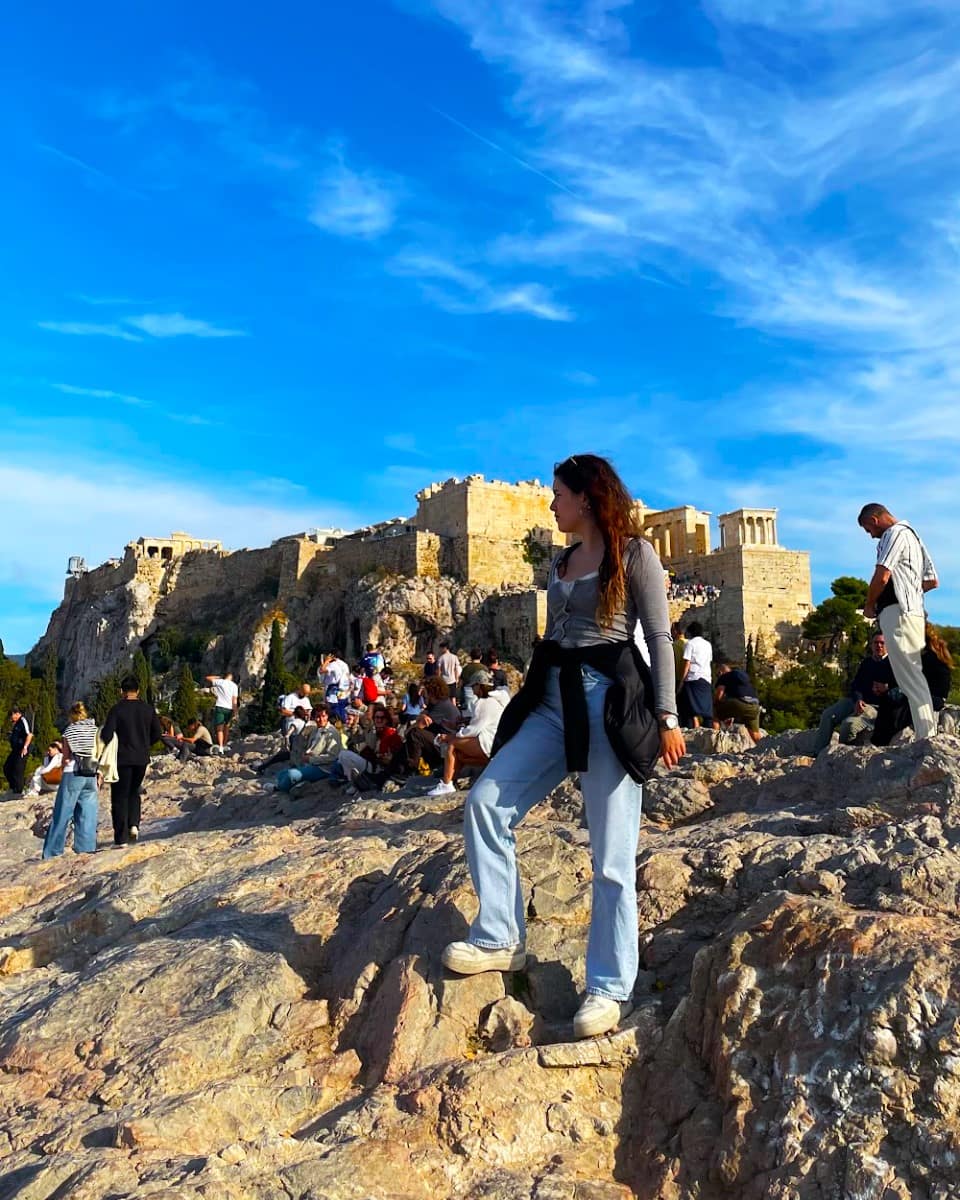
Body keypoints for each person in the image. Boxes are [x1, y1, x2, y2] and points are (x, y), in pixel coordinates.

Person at [442, 453, 684, 1041]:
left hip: (607, 704)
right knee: (486, 805)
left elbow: (658, 638)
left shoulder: (635, 555)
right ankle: (501, 935)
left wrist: (668, 715)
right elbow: (556, 638)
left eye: (558, 494)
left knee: (610, 855)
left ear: (586, 497)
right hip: (554, 702)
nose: (551, 504)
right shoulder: (561, 560)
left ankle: (608, 988)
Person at [859, 503, 939, 740]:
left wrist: (870, 603)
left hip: (898, 612)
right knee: (912, 674)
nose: (871, 536)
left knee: (908, 677)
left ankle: (926, 736)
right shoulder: (915, 537)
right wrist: (911, 592)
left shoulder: (894, 534)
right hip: (914, 612)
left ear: (874, 520)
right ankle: (927, 733)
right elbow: (932, 581)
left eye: (868, 529)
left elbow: (882, 574)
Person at [99, 675, 162, 846]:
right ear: (138, 691)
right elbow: (157, 733)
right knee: (134, 791)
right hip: (141, 758)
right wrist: (145, 744)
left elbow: (106, 735)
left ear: (121, 691)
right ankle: (134, 825)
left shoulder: (117, 710)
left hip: (122, 758)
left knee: (119, 796)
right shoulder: (148, 709)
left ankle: (121, 838)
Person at [872, 623, 953, 746]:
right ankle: (881, 738)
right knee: (891, 698)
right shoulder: (927, 655)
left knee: (894, 702)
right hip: (928, 695)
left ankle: (882, 739)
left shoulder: (928, 658)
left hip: (931, 697)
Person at [813, 633, 895, 752]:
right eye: (876, 643)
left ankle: (841, 757)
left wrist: (887, 688)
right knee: (828, 715)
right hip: (858, 700)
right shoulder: (867, 663)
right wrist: (858, 699)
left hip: (876, 706)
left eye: (882, 643)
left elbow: (901, 687)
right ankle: (818, 753)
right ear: (871, 645)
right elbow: (856, 685)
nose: (879, 646)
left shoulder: (893, 664)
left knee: (848, 725)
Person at [428, 676, 504, 796]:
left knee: (453, 744)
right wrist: (465, 721)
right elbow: (480, 723)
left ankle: (446, 784)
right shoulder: (494, 701)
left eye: (474, 686)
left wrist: (450, 737)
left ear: (479, 686)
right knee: (459, 754)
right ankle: (449, 781)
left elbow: (473, 730)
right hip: (496, 744)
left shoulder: (483, 703)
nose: (472, 690)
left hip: (488, 743)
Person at [42, 702, 100, 858]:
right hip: (91, 774)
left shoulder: (70, 730)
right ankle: (86, 850)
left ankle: (52, 852)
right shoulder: (94, 730)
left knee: (62, 813)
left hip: (73, 773)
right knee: (88, 814)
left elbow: (66, 758)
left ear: (72, 716)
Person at [392, 676, 462, 777]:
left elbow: (413, 730)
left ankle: (409, 770)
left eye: (423, 690)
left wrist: (417, 721)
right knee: (408, 743)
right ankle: (394, 770)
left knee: (415, 734)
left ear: (431, 692)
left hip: (446, 746)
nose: (421, 694)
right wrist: (420, 716)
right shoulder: (435, 705)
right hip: (441, 743)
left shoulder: (440, 706)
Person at [275, 704, 345, 791]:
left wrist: (311, 759)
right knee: (282, 773)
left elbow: (332, 757)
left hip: (323, 767)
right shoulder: (315, 730)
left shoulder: (332, 732)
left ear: (327, 716)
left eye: (323, 716)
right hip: (310, 763)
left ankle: (278, 788)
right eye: (318, 717)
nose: (320, 719)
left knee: (291, 775)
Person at [337, 706, 403, 793]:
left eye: (382, 718)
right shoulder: (372, 729)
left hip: (380, 768)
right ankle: (354, 783)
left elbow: (375, 747)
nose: (379, 720)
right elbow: (356, 740)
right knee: (342, 757)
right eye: (376, 718)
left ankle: (357, 783)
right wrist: (354, 726)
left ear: (386, 720)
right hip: (372, 764)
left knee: (344, 755)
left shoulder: (390, 732)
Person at [712, 661, 763, 745]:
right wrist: (730, 714)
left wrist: (715, 704)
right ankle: (763, 746)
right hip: (754, 705)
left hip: (740, 703)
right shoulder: (743, 677)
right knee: (754, 733)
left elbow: (719, 695)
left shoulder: (724, 676)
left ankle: (715, 743)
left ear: (720, 672)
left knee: (715, 714)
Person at [679, 621, 713, 728]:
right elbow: (709, 661)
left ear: (690, 632)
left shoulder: (690, 644)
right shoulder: (708, 644)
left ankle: (690, 731)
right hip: (706, 678)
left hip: (692, 679)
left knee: (689, 709)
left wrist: (681, 681)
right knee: (706, 710)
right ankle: (709, 730)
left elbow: (687, 663)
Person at [205, 672, 238, 754]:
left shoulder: (220, 682)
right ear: (232, 678)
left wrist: (218, 677)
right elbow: (234, 700)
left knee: (219, 728)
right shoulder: (234, 686)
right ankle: (224, 744)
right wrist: (235, 711)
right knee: (226, 727)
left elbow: (208, 678)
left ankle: (220, 747)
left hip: (220, 706)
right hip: (229, 708)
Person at [4, 706, 33, 796]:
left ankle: (19, 790)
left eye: (11, 715)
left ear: (17, 714)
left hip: (22, 749)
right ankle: (13, 787)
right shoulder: (15, 724)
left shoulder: (23, 721)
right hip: (15, 750)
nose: (11, 717)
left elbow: (29, 734)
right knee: (7, 767)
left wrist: (25, 747)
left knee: (18, 769)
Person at [320, 652, 352, 721]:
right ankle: (343, 722)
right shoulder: (345, 664)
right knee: (341, 707)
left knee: (333, 709)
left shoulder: (333, 664)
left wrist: (327, 661)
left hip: (333, 689)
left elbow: (322, 670)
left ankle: (336, 723)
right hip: (343, 689)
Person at [460, 648, 487, 718]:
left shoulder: (466, 668)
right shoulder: (484, 668)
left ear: (471, 657)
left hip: (467, 695)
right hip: (479, 695)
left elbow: (461, 683)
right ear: (481, 657)